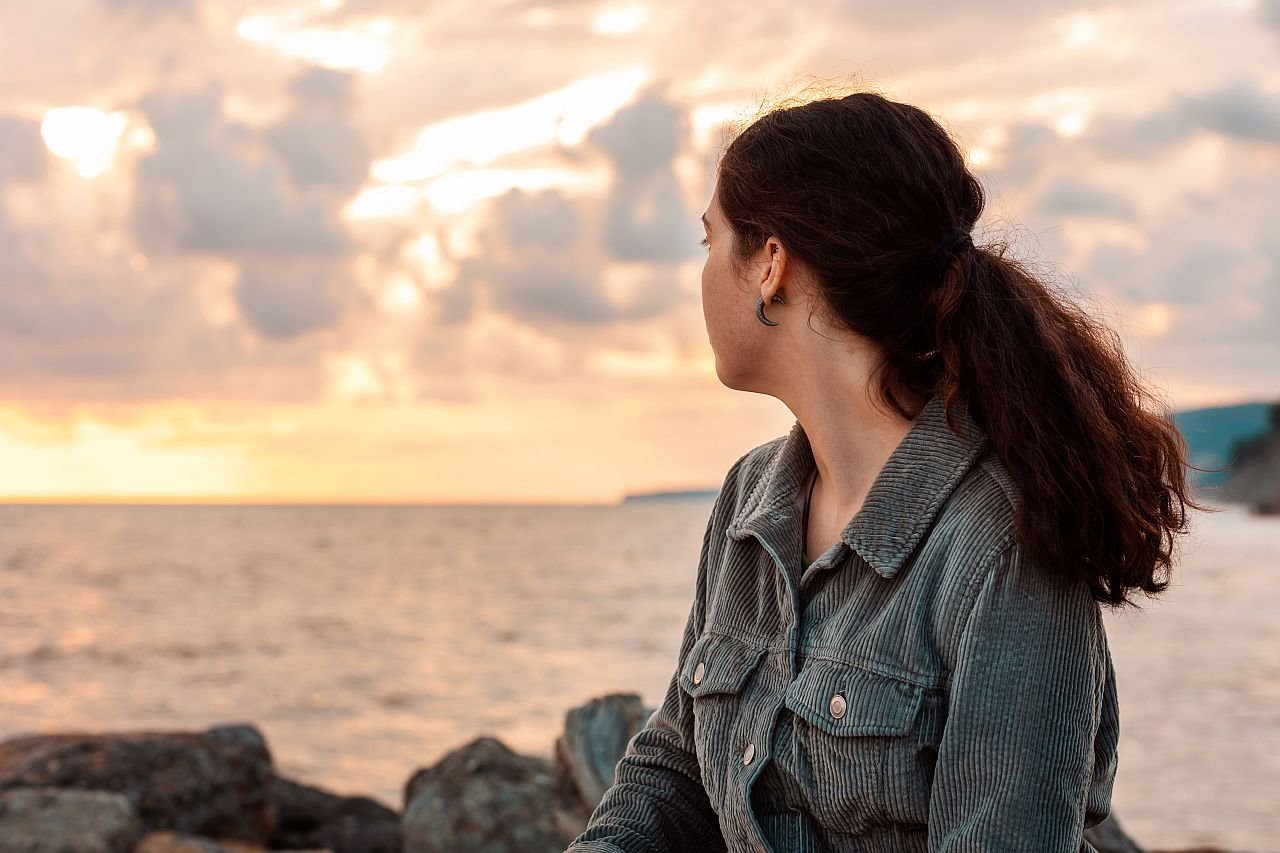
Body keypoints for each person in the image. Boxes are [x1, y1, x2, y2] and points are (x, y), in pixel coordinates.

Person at [564, 88, 1206, 853]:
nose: (701, 275)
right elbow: (675, 770)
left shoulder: (1001, 548)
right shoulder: (749, 501)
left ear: (772, 263)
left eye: (710, 242)